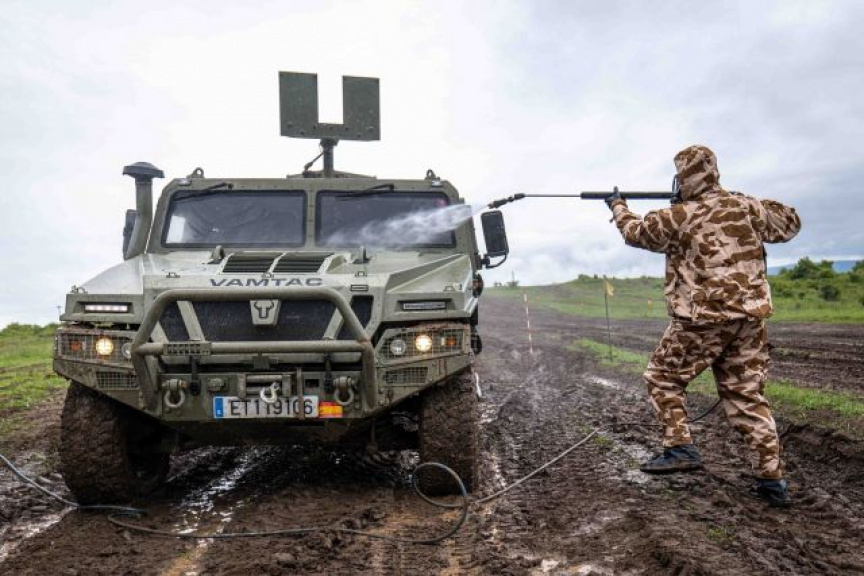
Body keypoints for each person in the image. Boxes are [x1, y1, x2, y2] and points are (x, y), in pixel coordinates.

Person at [605, 145, 801, 507]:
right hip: (750, 322)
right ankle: (772, 481)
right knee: (746, 397)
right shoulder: (747, 206)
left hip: (701, 322)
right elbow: (790, 221)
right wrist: (738, 199)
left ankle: (680, 447)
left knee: (662, 378)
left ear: (683, 178)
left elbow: (634, 232)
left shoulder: (678, 216)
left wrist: (618, 206)